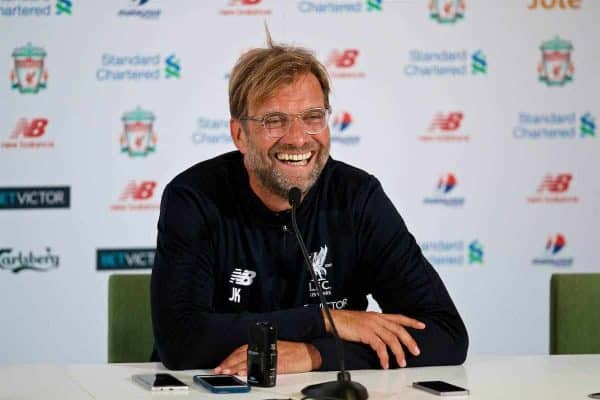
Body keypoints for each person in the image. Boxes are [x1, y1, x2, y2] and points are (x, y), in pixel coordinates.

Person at [151, 36, 468, 374]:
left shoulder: (358, 197)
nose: (298, 137)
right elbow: (181, 341)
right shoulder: (194, 197)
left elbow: (445, 335)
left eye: (313, 117)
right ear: (239, 135)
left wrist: (315, 355)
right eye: (274, 120)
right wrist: (326, 321)